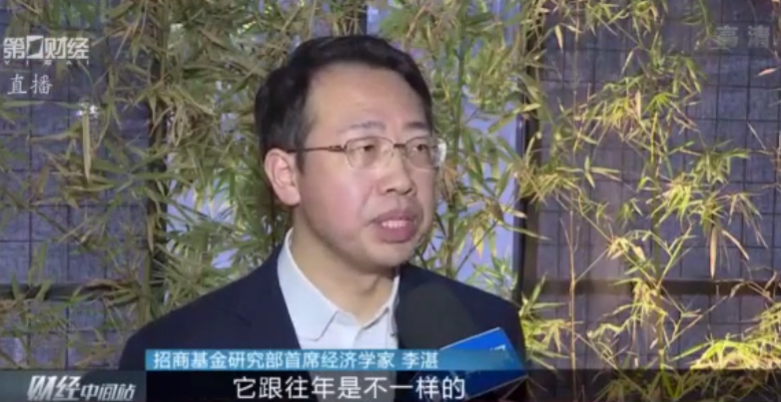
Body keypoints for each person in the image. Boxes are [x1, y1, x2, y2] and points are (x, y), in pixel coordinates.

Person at [118, 34, 526, 399]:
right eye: (365, 148)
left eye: (418, 147)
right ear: (286, 176)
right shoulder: (175, 357)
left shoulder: (482, 329)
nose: (403, 180)